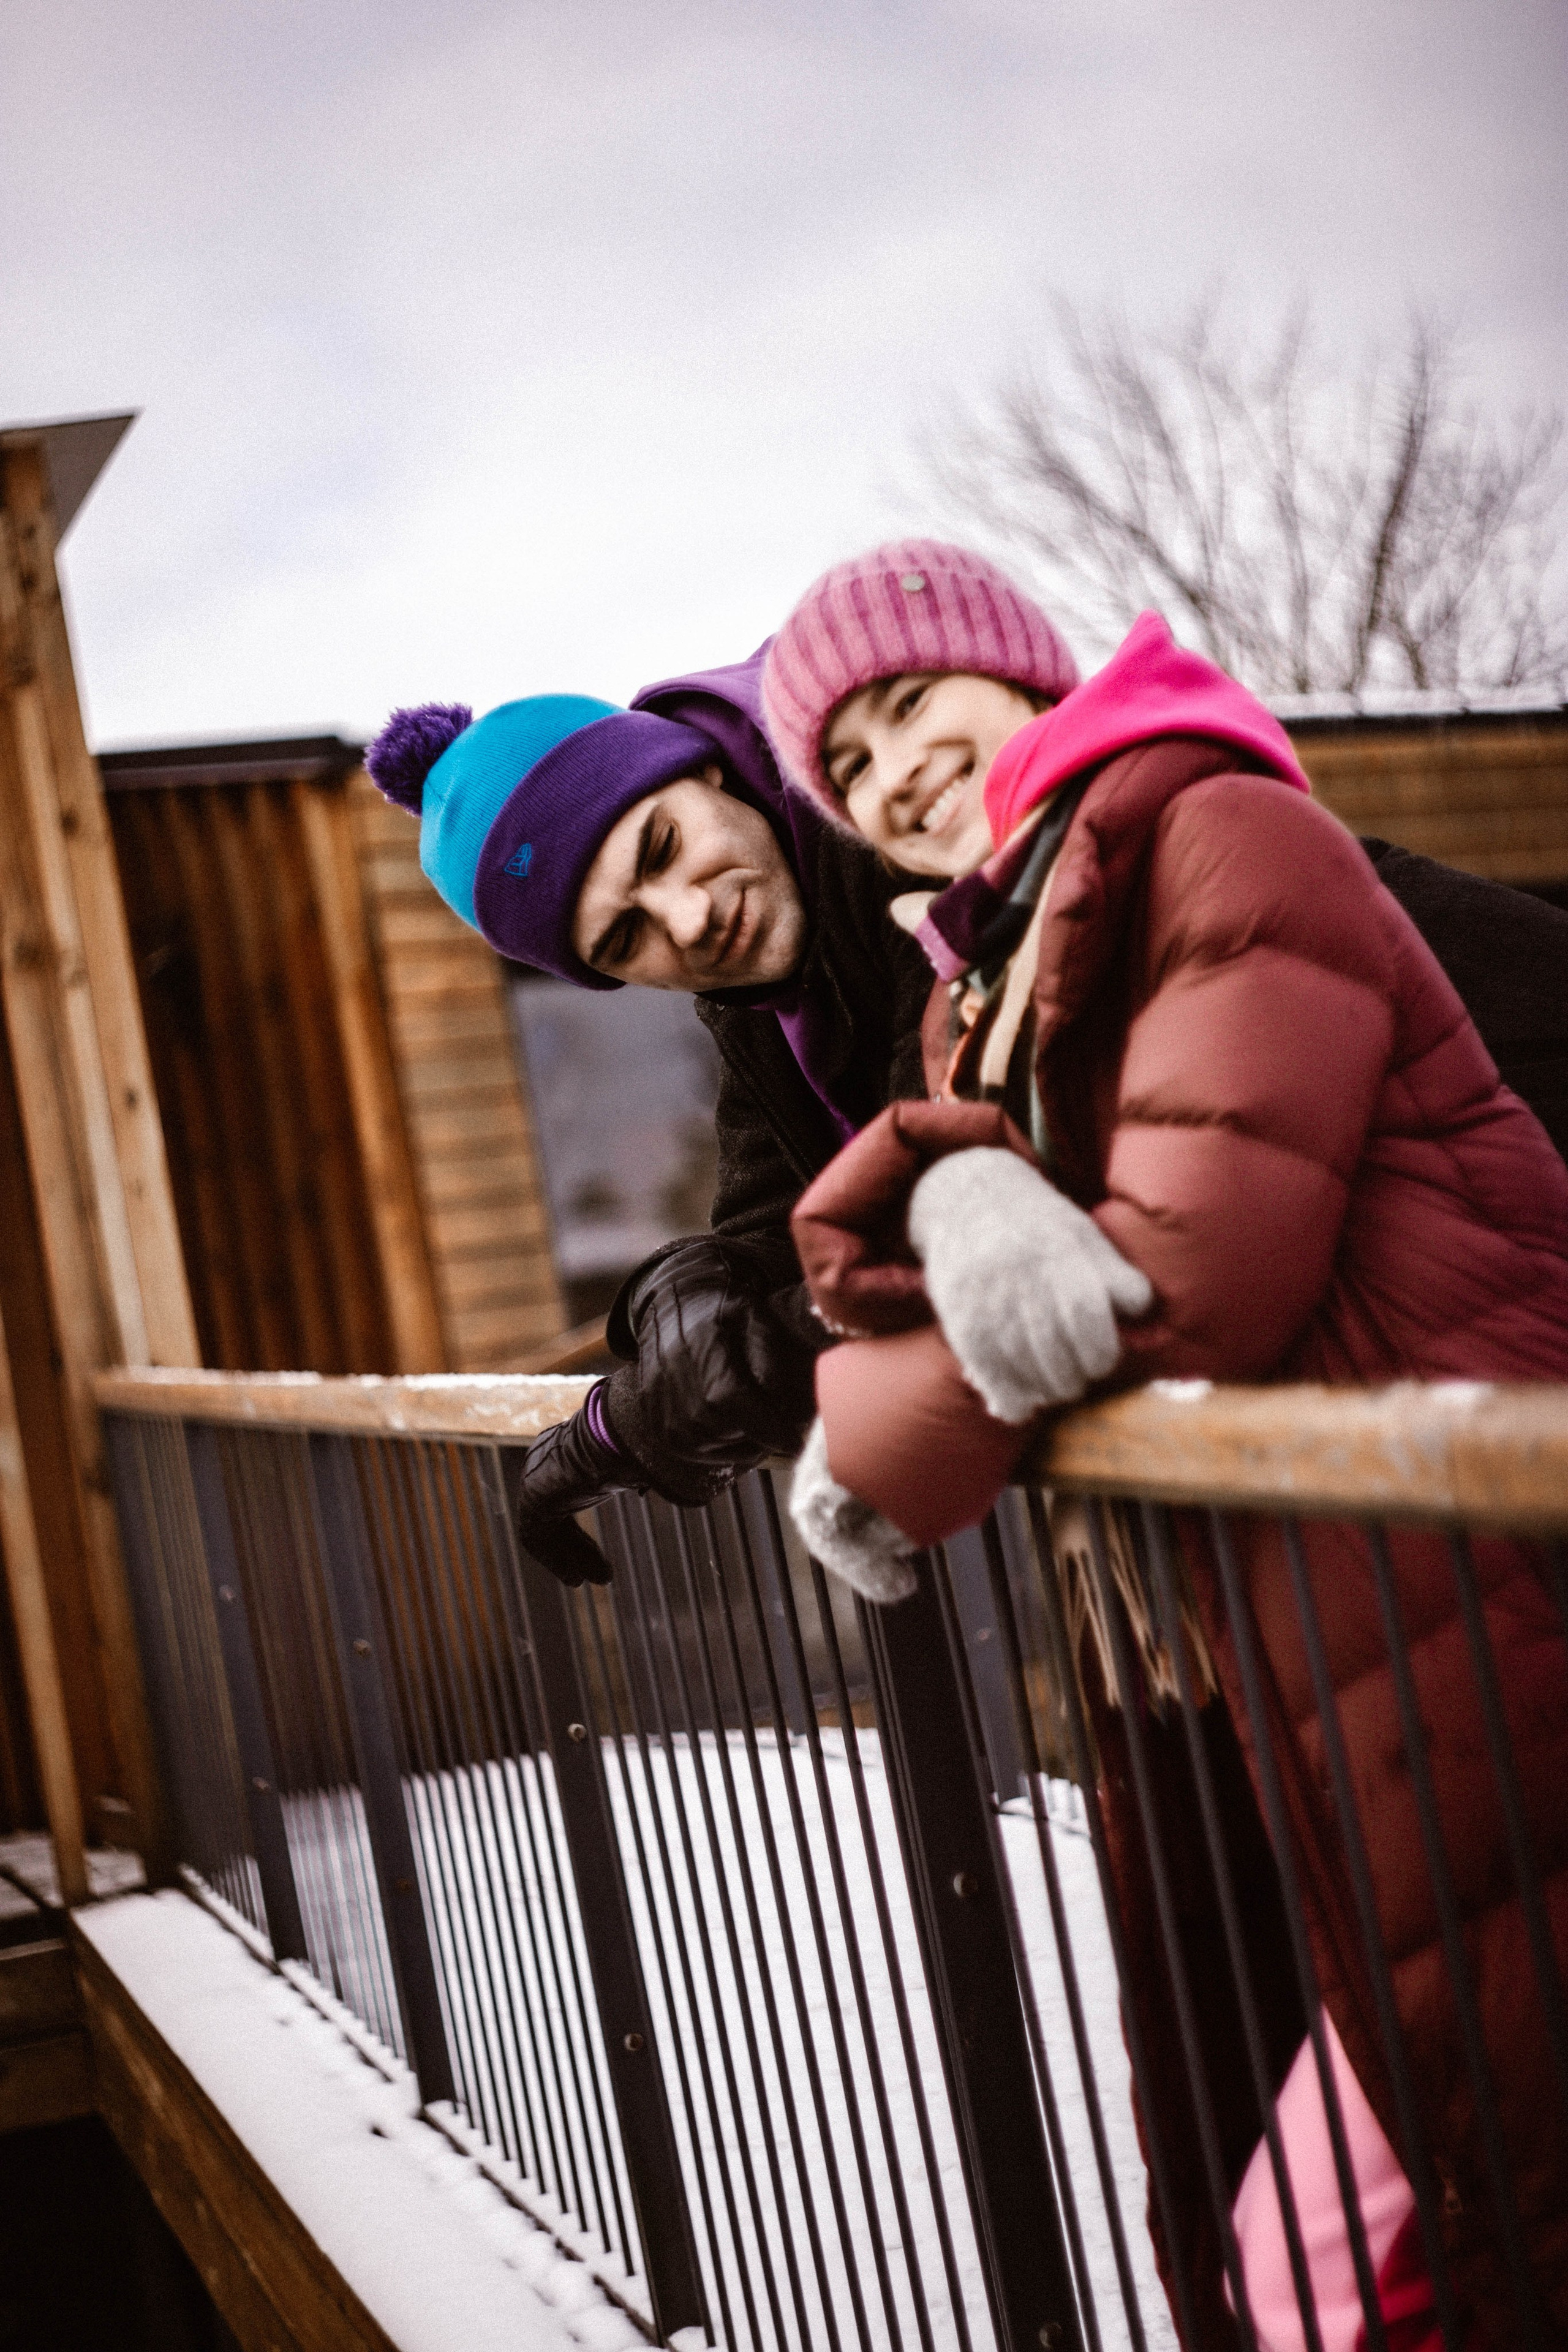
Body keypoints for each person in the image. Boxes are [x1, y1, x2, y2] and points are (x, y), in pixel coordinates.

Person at [760, 545, 1568, 2351]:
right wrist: (956, 1188)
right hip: (1298, 1618)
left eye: (914, 708)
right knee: (1341, 2217)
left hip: (1471, 1568)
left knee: (1408, 2232)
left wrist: (880, 1425)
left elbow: (1184, 1286)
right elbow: (942, 1254)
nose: (893, 771)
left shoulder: (1214, 828)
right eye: (851, 762)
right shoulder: (997, 958)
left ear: (1023, 678)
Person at [362, 595, 1076, 1584]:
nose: (690, 920)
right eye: (624, 939)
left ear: (697, 769)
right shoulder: (758, 993)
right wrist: (682, 1293)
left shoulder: (895, 843)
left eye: (659, 848)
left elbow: (946, 1219)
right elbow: (781, 1213)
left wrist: (629, 1427)